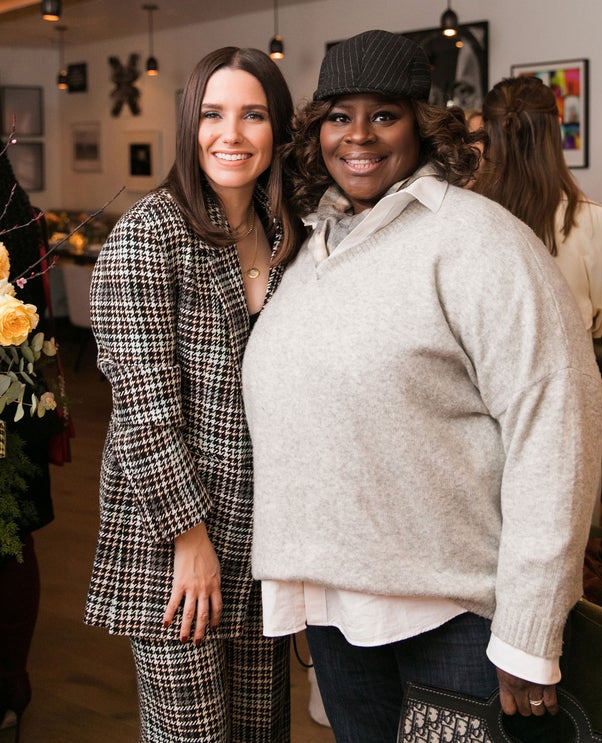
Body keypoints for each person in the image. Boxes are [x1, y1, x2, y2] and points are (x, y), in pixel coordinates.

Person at [242, 30, 602, 743]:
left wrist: (531, 629)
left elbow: (557, 422)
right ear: (316, 132)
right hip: (339, 614)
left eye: (385, 115)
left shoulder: (478, 239)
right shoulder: (315, 248)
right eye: (339, 116)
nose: (359, 136)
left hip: (455, 621)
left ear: (423, 124)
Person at [84, 46, 302, 743]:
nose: (231, 134)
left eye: (253, 114)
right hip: (175, 540)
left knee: (261, 732)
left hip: (262, 539)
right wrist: (189, 539)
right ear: (189, 124)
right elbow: (144, 411)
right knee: (193, 736)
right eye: (212, 114)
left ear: (279, 130)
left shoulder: (286, 234)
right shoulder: (149, 235)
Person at [472, 75, 602, 338]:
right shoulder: (591, 219)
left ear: (486, 131)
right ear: (557, 128)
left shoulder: (463, 215)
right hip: (568, 373)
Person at [0, 144, 57, 738]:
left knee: (10, 550)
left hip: (9, 416)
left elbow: (27, 322)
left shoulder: (14, 222)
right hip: (19, 404)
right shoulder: (22, 214)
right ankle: (12, 686)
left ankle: (10, 686)